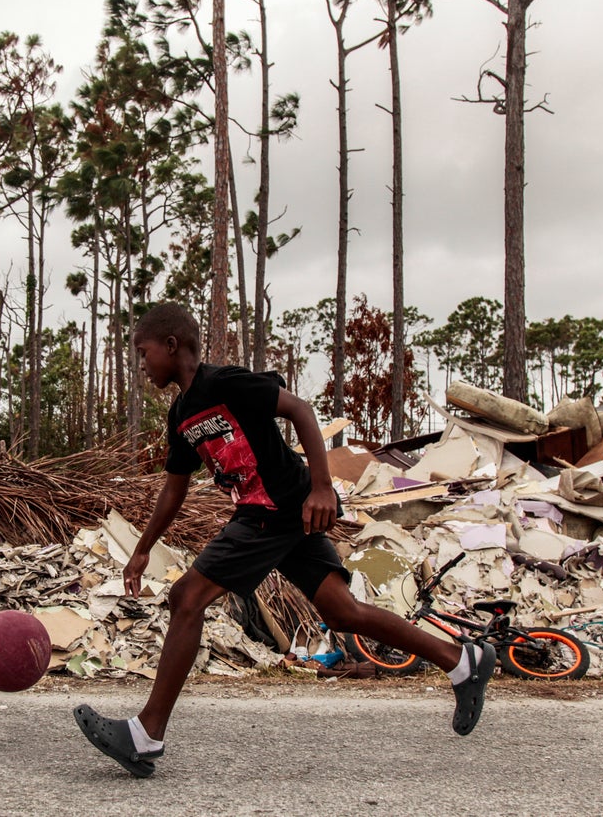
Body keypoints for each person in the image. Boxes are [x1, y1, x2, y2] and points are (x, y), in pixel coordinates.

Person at [73, 302, 495, 778]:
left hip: (274, 511)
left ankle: (146, 735)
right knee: (342, 611)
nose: (141, 363)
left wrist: (322, 486)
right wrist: (144, 546)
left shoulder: (224, 383)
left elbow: (299, 408)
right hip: (279, 515)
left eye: (143, 351)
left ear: (171, 346)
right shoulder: (182, 414)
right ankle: (462, 660)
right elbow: (174, 487)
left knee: (186, 598)